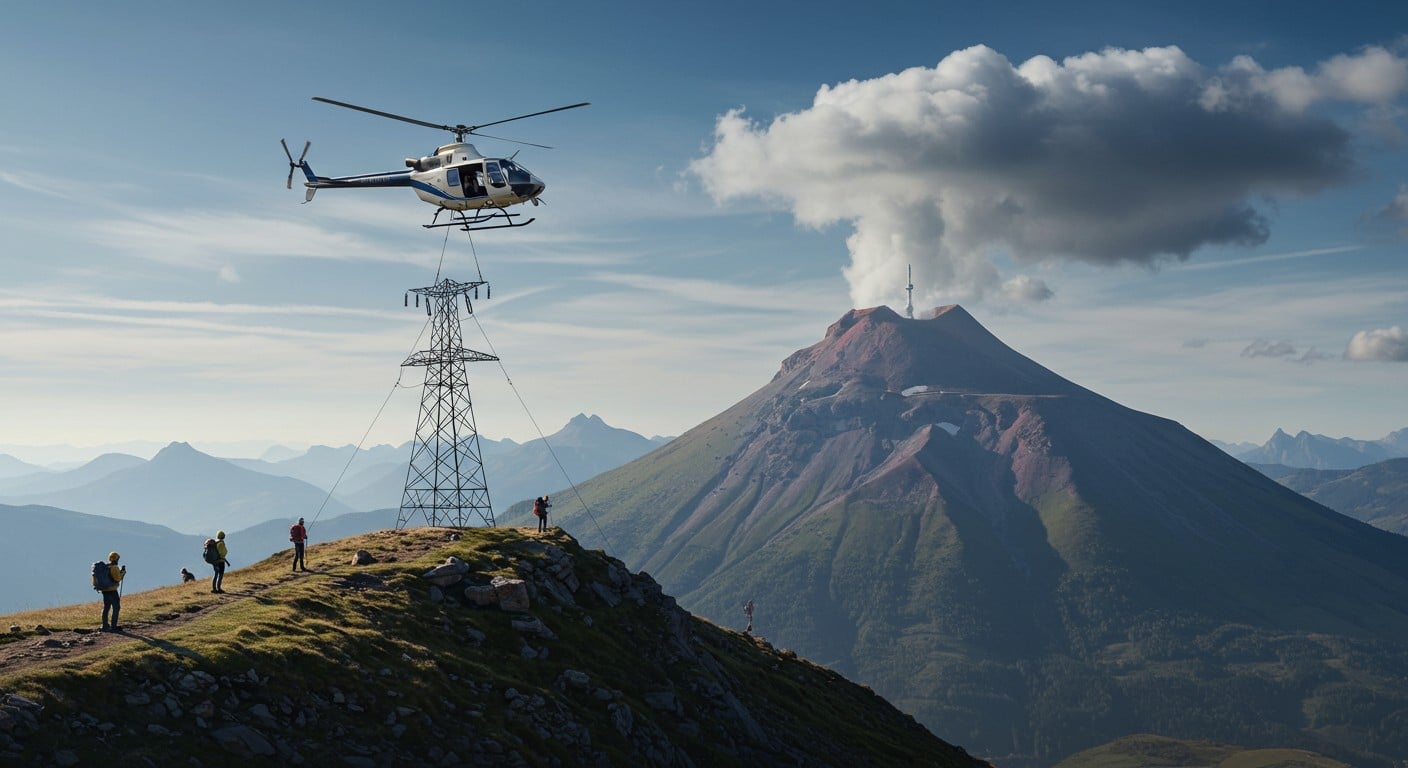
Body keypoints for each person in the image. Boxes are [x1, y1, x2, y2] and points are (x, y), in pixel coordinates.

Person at [99, 551, 126, 632]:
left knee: (106, 608)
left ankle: (105, 626)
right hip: (112, 591)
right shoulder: (114, 567)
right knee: (116, 608)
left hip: (104, 590)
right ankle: (113, 627)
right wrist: (122, 573)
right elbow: (117, 578)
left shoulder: (106, 567)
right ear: (116, 559)